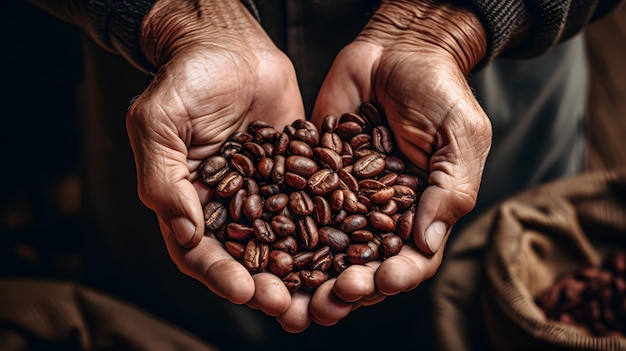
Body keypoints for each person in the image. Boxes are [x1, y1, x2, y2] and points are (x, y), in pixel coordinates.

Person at [23, 0, 624, 350]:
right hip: (177, 93)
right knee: (184, 312)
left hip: (482, 72)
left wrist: (447, 19)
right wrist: (178, 14)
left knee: (474, 302)